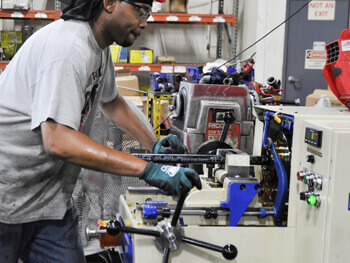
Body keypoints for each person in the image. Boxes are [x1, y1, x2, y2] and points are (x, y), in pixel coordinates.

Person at [0, 0, 202, 262]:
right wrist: (147, 169)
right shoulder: (68, 48)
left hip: (49, 201)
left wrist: (154, 145)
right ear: (108, 3)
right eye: (139, 10)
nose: (144, 22)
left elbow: (113, 102)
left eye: (148, 13)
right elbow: (57, 140)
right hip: (6, 197)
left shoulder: (98, 47)